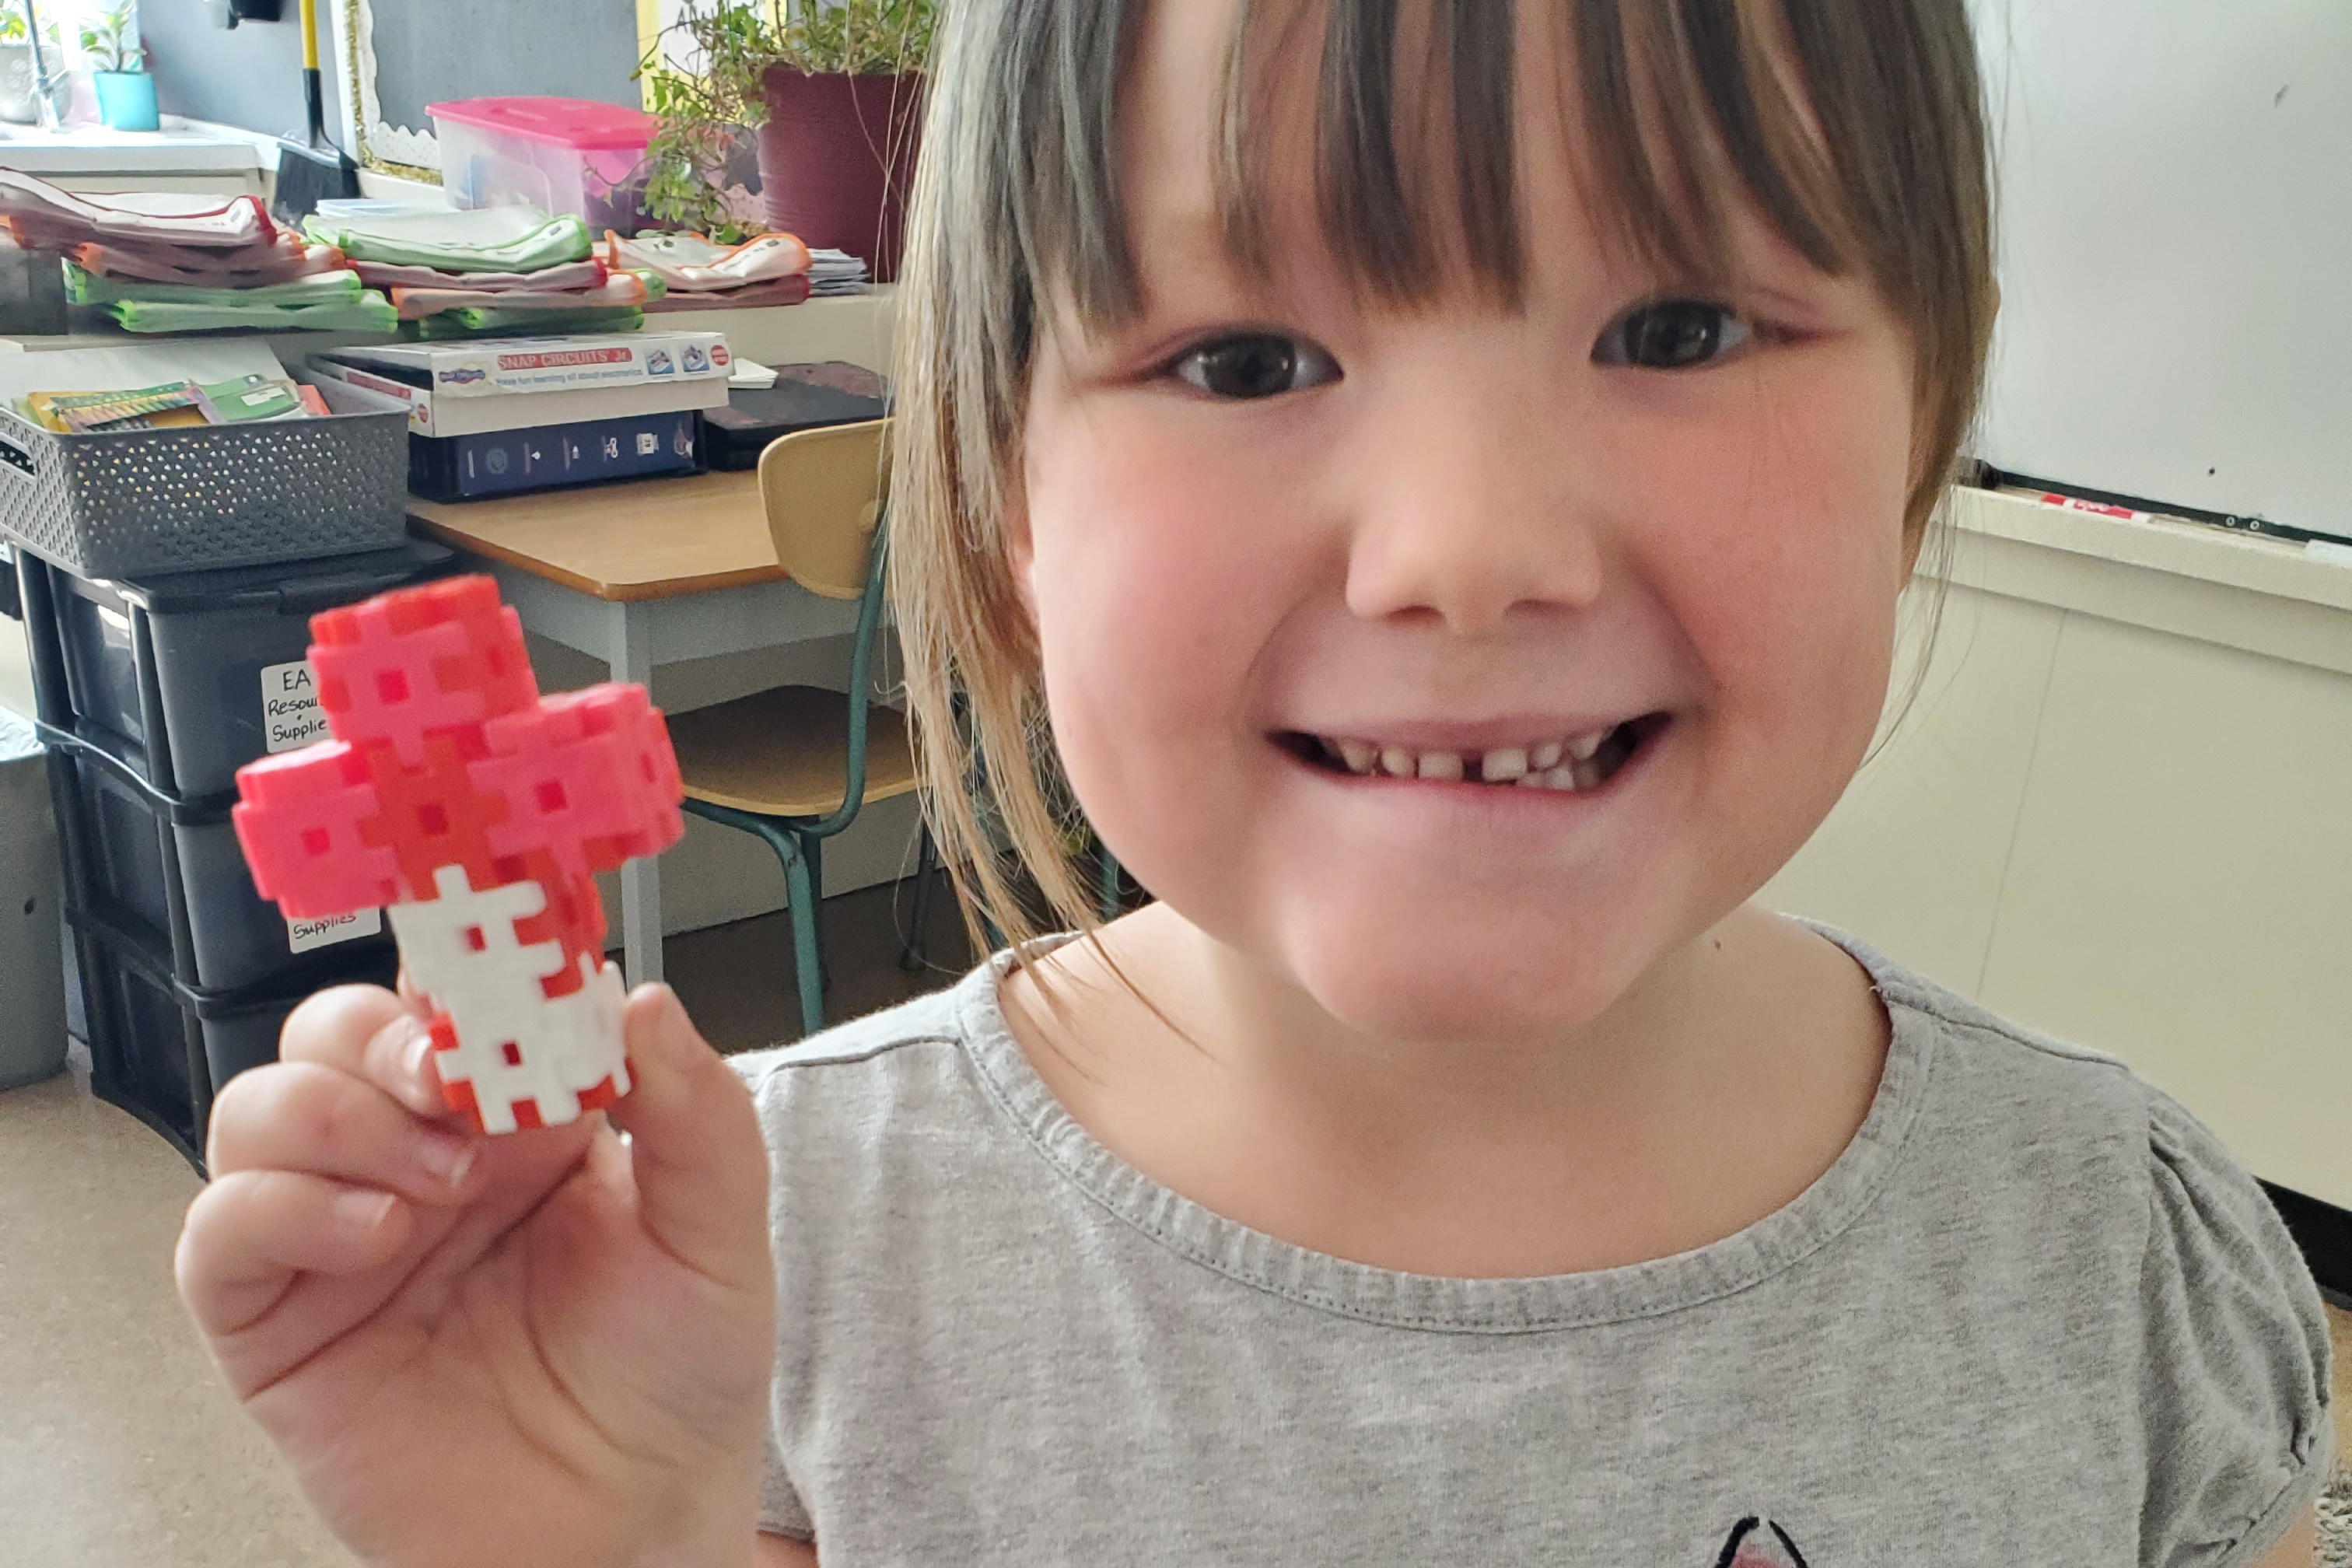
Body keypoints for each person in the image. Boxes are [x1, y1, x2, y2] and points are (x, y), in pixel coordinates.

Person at [175, 2, 2336, 1563]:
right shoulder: (755, 1280)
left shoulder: (2108, 1267)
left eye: (1679, 330)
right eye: (1243, 361)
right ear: (1003, 497)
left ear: (1928, 426)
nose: (1471, 552)